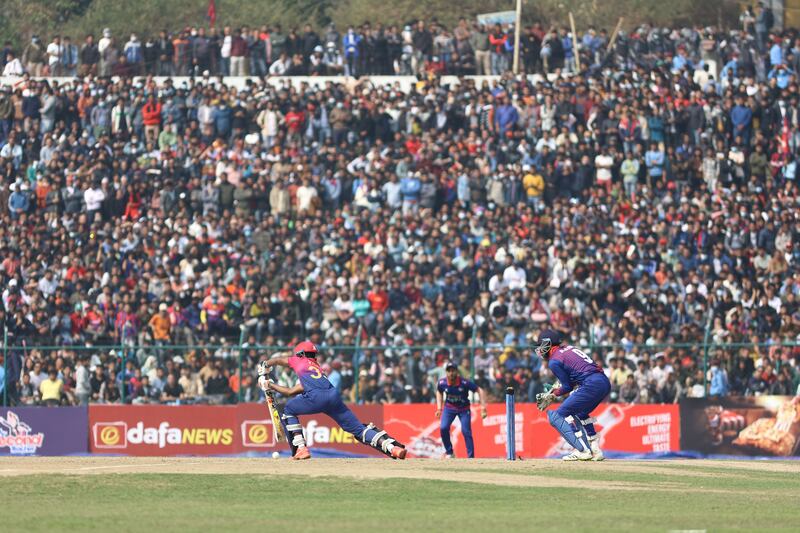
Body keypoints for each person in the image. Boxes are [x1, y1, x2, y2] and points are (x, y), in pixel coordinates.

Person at [258, 341, 407, 460]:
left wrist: (266, 366)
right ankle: (392, 447)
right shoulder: (316, 369)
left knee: (288, 409)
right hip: (333, 396)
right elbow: (290, 391)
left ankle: (300, 448)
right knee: (358, 429)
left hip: (316, 397)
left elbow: (279, 360)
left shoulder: (299, 360)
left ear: (300, 354)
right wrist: (271, 385)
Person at [534, 330, 610, 461]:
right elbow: (576, 376)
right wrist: (555, 390)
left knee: (556, 416)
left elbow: (567, 386)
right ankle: (595, 449)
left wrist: (552, 395)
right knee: (580, 412)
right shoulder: (568, 348)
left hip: (590, 384)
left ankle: (582, 450)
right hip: (603, 382)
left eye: (541, 345)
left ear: (548, 343)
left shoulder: (553, 361)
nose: (539, 350)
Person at [435, 361, 487, 458]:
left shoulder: (464, 383)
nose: (451, 373)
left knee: (466, 431)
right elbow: (439, 391)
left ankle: (470, 457)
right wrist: (439, 408)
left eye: (453, 371)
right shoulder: (442, 383)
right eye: (449, 371)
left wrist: (483, 407)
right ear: (446, 372)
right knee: (443, 428)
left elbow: (479, 390)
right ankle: (450, 452)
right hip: (449, 408)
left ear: (457, 372)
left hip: (464, 409)